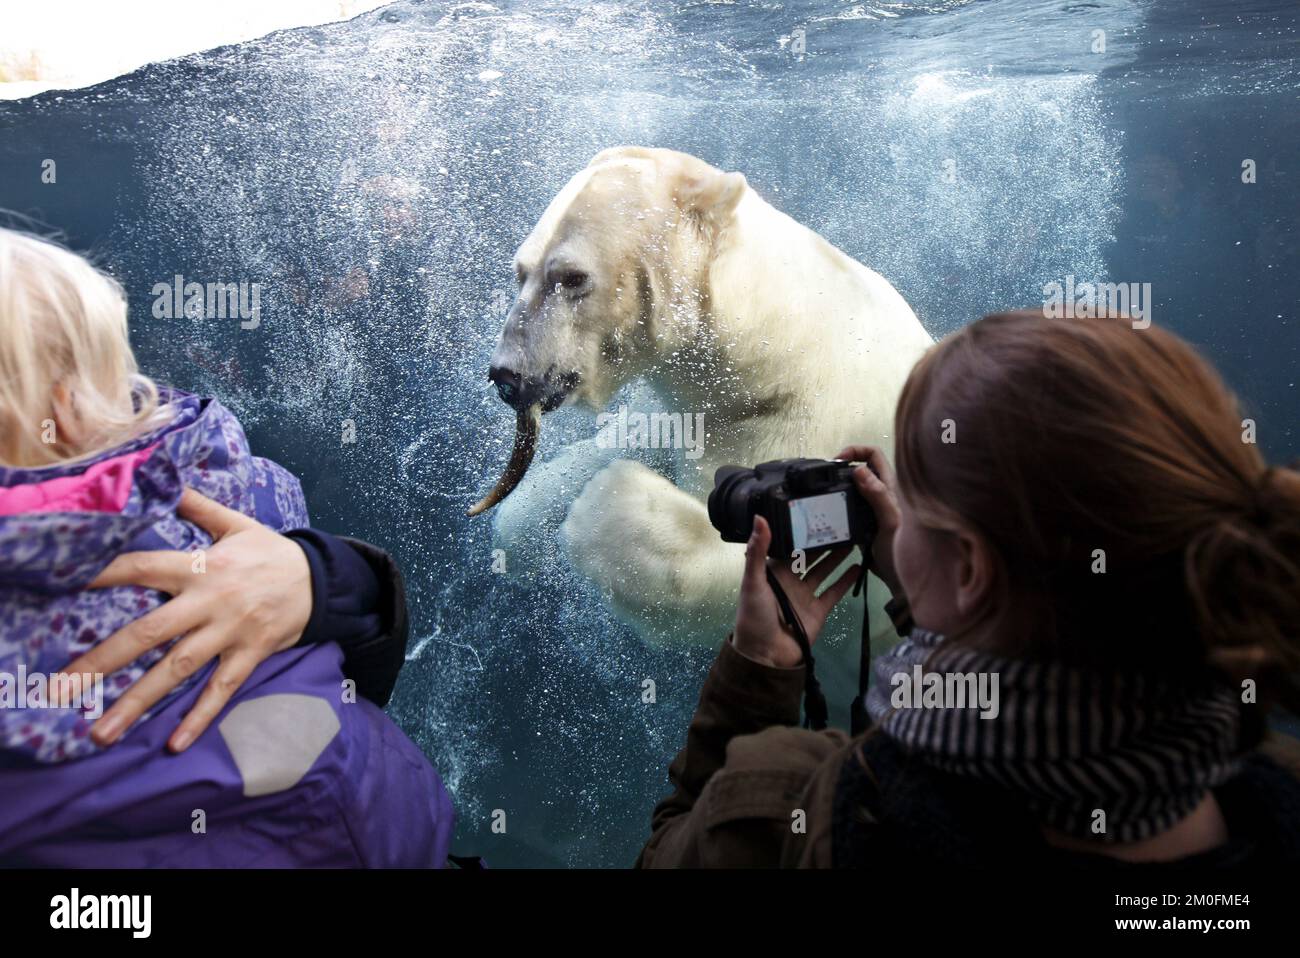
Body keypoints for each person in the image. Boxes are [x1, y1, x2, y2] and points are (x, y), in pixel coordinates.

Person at [637, 309, 1300, 869]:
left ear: (972, 569)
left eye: (916, 501)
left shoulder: (811, 805)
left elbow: (674, 849)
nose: (896, 511)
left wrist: (760, 671)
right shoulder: (1271, 781)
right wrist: (935, 593)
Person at [0, 228, 453, 867]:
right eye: (119, 376)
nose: (141, 395)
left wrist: (319, 577)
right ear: (69, 406)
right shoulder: (214, 445)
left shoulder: (397, 334)